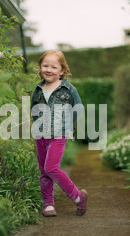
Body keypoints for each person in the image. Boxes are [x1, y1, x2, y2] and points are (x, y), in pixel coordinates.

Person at [30, 50, 87, 217]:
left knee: (51, 168)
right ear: (40, 68)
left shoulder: (68, 89)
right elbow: (34, 108)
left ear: (62, 70)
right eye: (45, 66)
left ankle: (78, 196)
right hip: (41, 134)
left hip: (59, 134)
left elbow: (78, 108)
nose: (48, 69)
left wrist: (67, 126)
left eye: (53, 67)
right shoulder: (39, 88)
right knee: (44, 171)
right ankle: (48, 203)